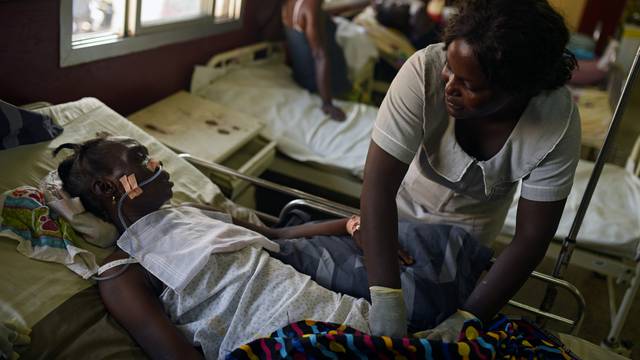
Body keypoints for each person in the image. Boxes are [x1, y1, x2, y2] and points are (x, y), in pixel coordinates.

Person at [52, 136, 491, 358]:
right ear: (111, 188)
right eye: (140, 159)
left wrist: (351, 224)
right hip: (285, 346)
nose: (156, 165)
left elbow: (275, 237)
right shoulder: (124, 271)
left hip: (347, 320)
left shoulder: (192, 215)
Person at [359, 0, 580, 339]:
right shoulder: (424, 71)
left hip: (469, 234)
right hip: (399, 210)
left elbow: (532, 237)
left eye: (470, 85)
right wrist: (386, 301)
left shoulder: (555, 123)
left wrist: (468, 317)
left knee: (434, 306)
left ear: (517, 91)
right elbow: (377, 186)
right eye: (449, 68)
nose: (449, 85)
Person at [281, 0, 350, 121]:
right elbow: (319, 56)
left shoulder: (291, 3)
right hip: (317, 83)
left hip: (300, 76)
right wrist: (327, 104)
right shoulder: (312, 5)